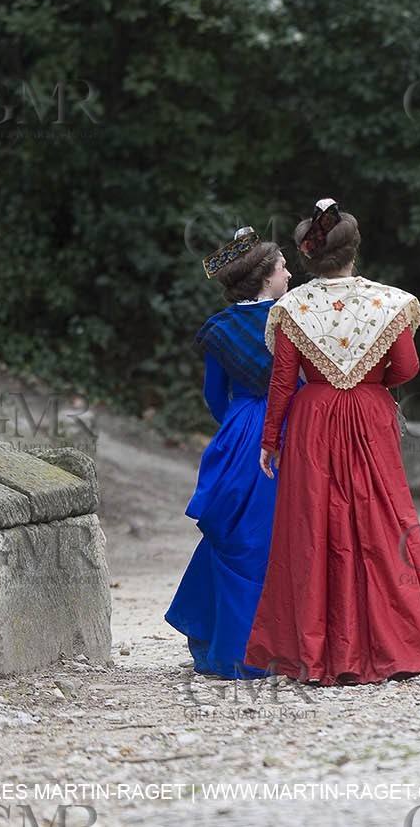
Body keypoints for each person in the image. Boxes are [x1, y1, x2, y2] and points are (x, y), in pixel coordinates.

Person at [244, 199, 420, 684]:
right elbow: (407, 369)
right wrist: (370, 377)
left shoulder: (290, 307)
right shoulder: (391, 302)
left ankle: (316, 653)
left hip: (313, 418)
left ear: (307, 257)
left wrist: (270, 439)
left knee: (315, 525)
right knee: (381, 519)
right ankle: (398, 644)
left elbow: (282, 381)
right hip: (368, 414)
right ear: (353, 249)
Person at [165, 227, 290, 679]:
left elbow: (214, 396)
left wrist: (239, 421)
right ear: (265, 278)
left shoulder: (219, 329)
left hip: (239, 434)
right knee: (273, 538)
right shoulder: (289, 321)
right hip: (286, 432)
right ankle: (266, 647)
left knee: (236, 536)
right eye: (282, 268)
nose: (289, 273)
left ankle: (225, 644)